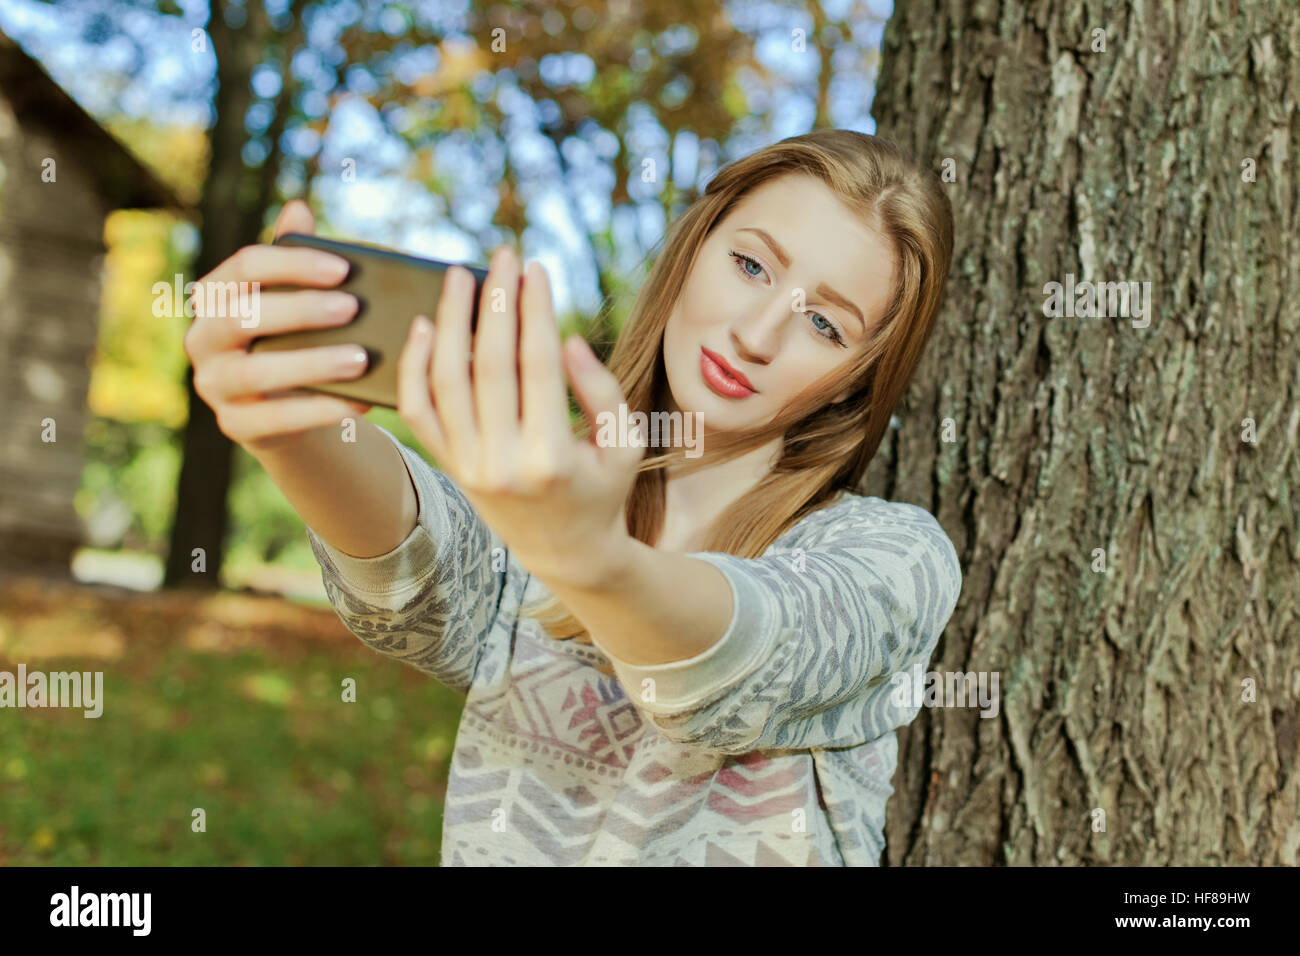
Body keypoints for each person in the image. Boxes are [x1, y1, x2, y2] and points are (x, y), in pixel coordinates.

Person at [184, 128, 962, 866]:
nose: (756, 334)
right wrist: (287, 429)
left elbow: (754, 649)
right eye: (752, 267)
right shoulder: (547, 489)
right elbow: (414, 577)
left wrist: (588, 556)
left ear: (857, 381)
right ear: (694, 249)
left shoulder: (894, 561)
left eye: (825, 324)